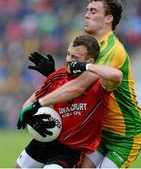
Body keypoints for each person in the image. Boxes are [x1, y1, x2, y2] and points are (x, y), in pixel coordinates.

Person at [26, 0, 141, 168]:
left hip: (124, 135)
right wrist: (52, 74)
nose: (86, 14)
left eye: (93, 11)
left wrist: (38, 103)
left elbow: (79, 87)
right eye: (87, 10)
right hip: (99, 131)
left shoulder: (112, 49)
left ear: (108, 18)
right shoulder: (91, 47)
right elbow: (76, 81)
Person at [16, 35, 122, 168]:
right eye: (68, 54)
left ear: (89, 60)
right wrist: (32, 119)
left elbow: (116, 76)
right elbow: (28, 104)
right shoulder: (57, 76)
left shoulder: (99, 84)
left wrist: (87, 67)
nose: (68, 60)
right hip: (46, 140)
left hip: (71, 151)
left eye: (75, 57)